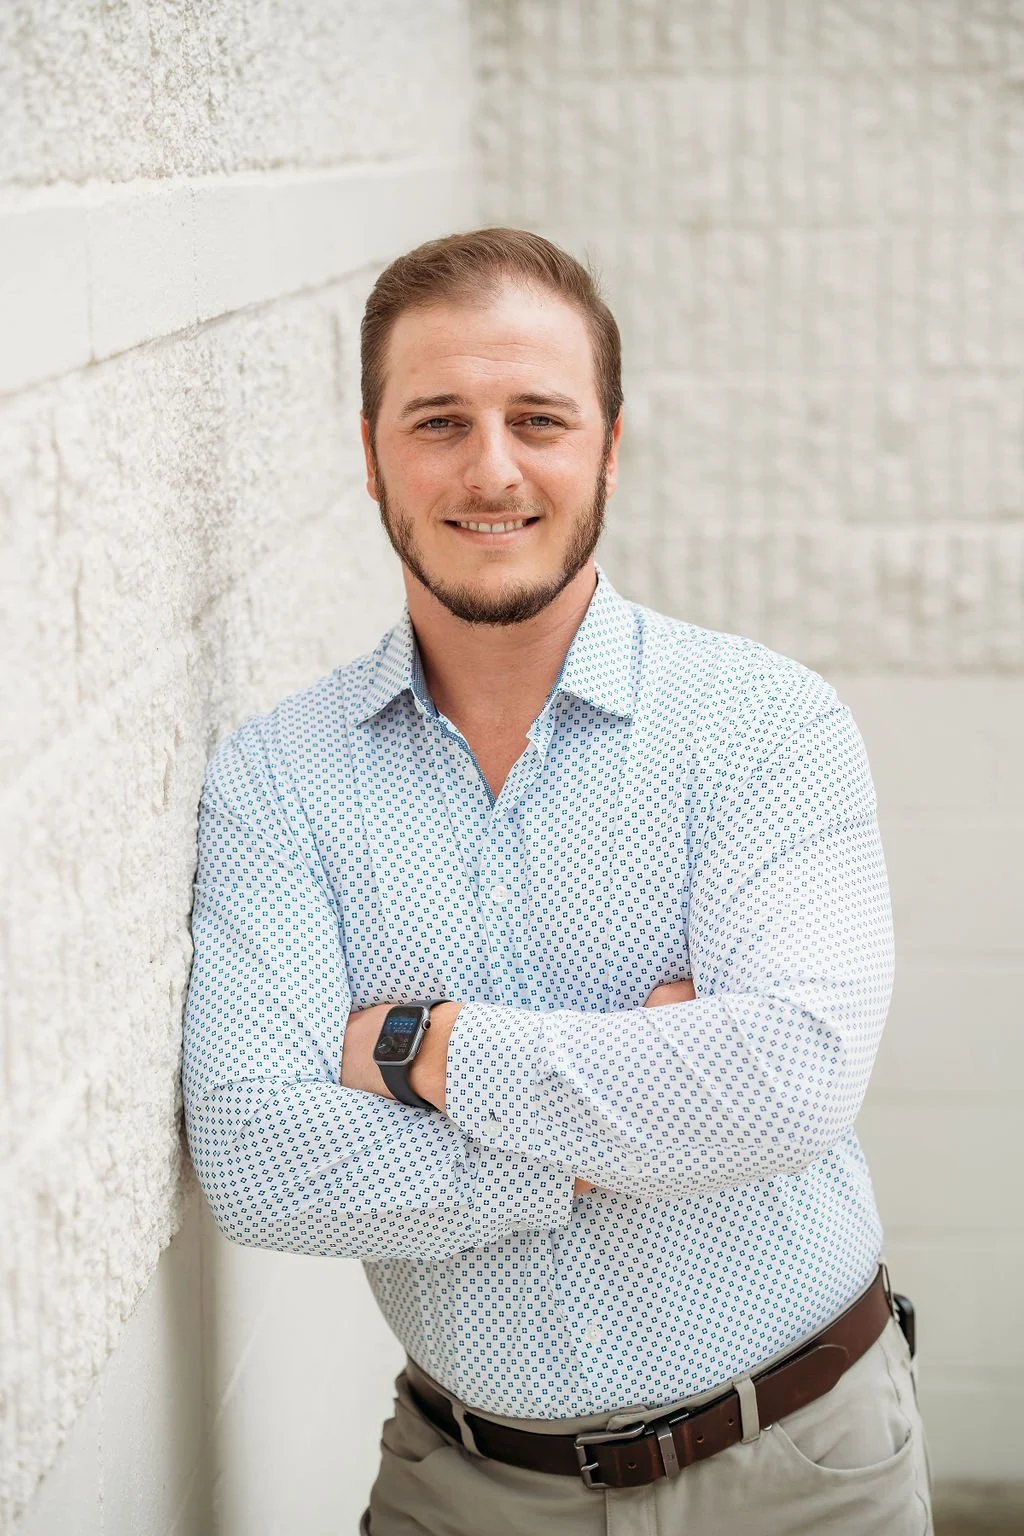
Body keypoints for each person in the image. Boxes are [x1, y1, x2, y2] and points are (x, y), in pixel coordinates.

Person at [183, 228, 932, 1535]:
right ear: (369, 454)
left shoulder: (763, 726)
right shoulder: (279, 782)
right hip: (467, 1493)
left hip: (806, 1471)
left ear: (609, 446)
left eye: (539, 417)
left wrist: (422, 1049)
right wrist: (602, 1138)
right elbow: (255, 1155)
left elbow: (792, 1075)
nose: (492, 468)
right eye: (438, 421)